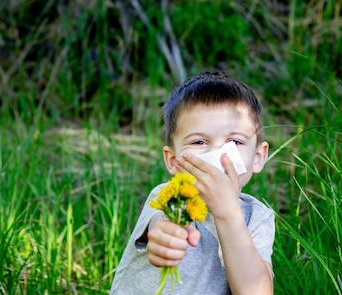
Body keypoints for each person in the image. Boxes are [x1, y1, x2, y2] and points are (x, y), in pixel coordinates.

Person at [111, 71, 275, 294]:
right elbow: (162, 222)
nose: (218, 154)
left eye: (235, 141)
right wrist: (163, 235)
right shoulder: (170, 196)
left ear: (258, 157)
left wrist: (227, 211)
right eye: (199, 141)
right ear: (173, 160)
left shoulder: (257, 217)